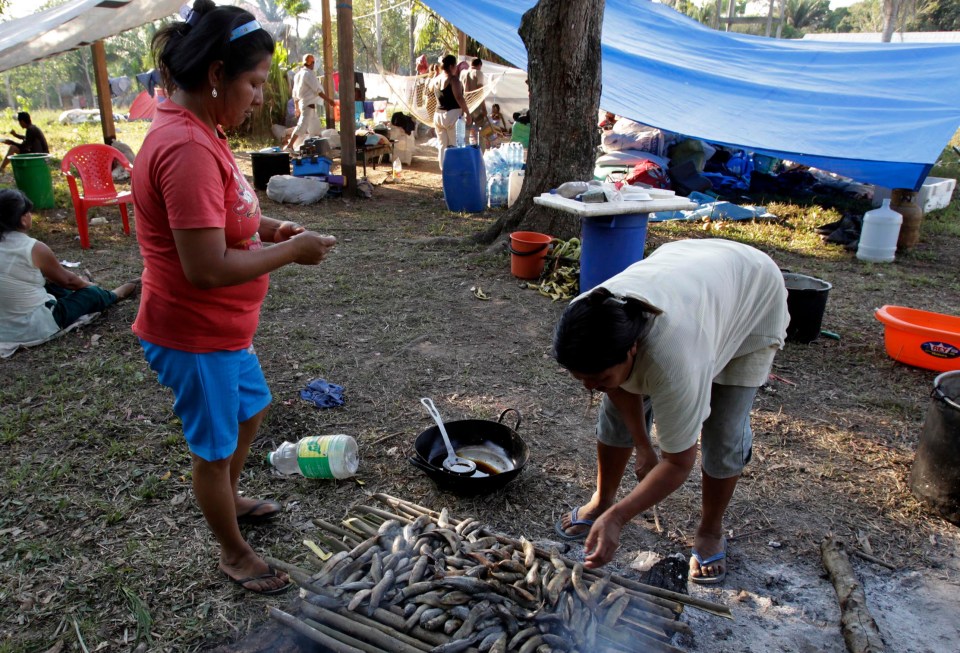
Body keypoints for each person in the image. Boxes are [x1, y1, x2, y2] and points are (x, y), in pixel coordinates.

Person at [132, 0, 337, 596]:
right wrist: (291, 254)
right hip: (193, 333)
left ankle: (229, 493)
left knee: (251, 409)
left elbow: (231, 217)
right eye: (252, 82)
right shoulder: (187, 149)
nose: (256, 96)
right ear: (217, 73)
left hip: (223, 332)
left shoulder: (203, 130)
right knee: (212, 453)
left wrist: (272, 229)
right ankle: (234, 553)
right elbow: (205, 267)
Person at [551, 239, 788, 585]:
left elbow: (678, 462)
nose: (588, 385)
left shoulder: (673, 359)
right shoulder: (589, 317)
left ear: (633, 348)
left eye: (597, 376)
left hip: (750, 295)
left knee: (724, 430)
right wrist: (644, 446)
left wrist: (620, 519)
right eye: (580, 378)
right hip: (691, 270)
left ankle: (709, 530)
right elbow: (617, 386)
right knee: (613, 408)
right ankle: (602, 499)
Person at [0, 189, 138, 345]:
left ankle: (84, 293)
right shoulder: (33, 248)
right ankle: (114, 295)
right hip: (32, 327)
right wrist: (89, 286)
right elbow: (68, 281)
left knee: (49, 284)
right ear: (23, 219)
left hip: (3, 328)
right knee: (89, 294)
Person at [430, 54, 471, 169]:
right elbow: (459, 97)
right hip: (452, 115)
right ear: (452, 66)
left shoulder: (436, 79)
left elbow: (430, 89)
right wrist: (468, 113)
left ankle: (444, 172)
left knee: (442, 146)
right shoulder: (453, 80)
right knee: (456, 145)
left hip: (438, 115)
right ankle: (455, 172)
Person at [287, 53, 334, 153]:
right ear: (310, 63)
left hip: (306, 105)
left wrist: (296, 107)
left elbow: (294, 93)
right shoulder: (308, 74)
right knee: (302, 126)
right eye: (313, 62)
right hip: (307, 105)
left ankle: (318, 149)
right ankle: (289, 146)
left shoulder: (298, 75)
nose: (313, 64)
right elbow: (318, 90)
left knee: (316, 130)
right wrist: (329, 101)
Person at [460, 57, 488, 130]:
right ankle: (481, 141)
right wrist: (484, 108)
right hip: (476, 104)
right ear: (479, 65)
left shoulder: (463, 73)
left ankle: (465, 141)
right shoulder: (478, 73)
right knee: (483, 129)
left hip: (465, 105)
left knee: (466, 130)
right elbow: (480, 91)